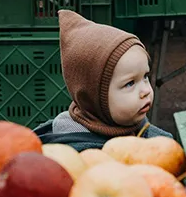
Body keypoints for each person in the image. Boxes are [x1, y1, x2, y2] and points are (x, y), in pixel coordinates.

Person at [35, 11, 173, 151]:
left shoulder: (133, 122)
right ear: (94, 97)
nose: (145, 91)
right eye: (130, 83)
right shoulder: (79, 153)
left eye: (145, 76)